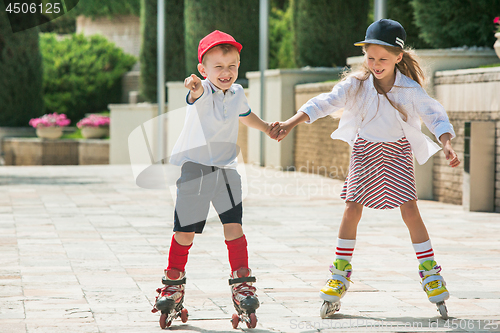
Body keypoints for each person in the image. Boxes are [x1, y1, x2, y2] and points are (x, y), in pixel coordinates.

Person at [273, 19, 459, 318]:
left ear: (399, 57)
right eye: (370, 58)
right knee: (352, 208)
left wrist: (446, 143)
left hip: (397, 152)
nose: (375, 64)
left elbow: (436, 116)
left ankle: (430, 272)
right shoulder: (356, 85)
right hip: (364, 150)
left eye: (383, 59)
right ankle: (339, 273)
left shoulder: (409, 89)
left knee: (410, 209)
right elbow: (326, 102)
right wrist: (290, 123)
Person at [152, 30, 280, 328]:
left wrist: (268, 129)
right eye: (218, 67)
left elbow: (246, 115)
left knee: (233, 227)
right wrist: (195, 87)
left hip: (226, 170)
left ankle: (242, 284)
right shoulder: (203, 90)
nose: (226, 72)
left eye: (232, 65)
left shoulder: (236, 93)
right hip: (194, 170)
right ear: (203, 69)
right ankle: (173, 283)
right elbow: (195, 95)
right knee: (185, 233)